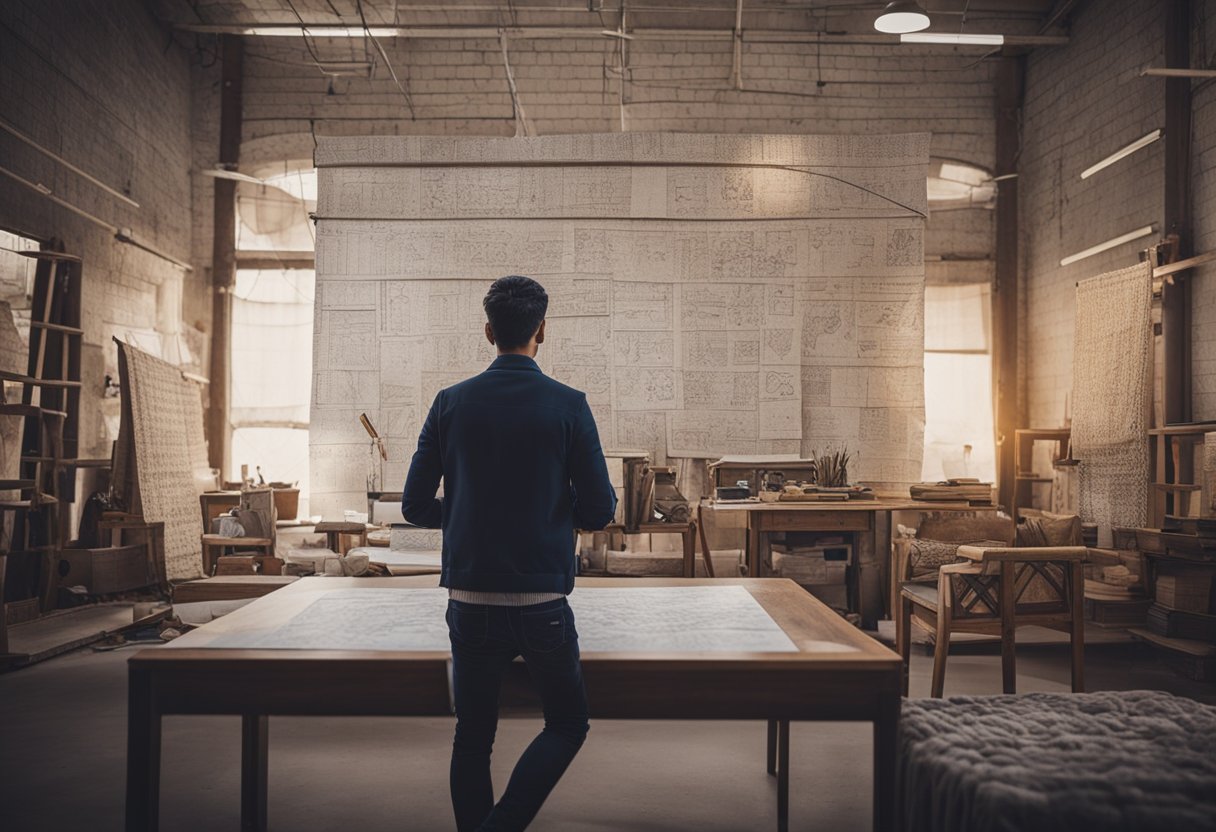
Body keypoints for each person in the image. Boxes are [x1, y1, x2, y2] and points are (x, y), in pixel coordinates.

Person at [401, 274, 617, 832]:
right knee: (567, 724)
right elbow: (599, 509)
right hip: (542, 604)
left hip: (469, 600)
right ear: (542, 330)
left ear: (489, 331)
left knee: (472, 736)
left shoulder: (450, 403)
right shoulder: (569, 405)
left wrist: (473, 510)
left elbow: (414, 505)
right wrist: (547, 508)